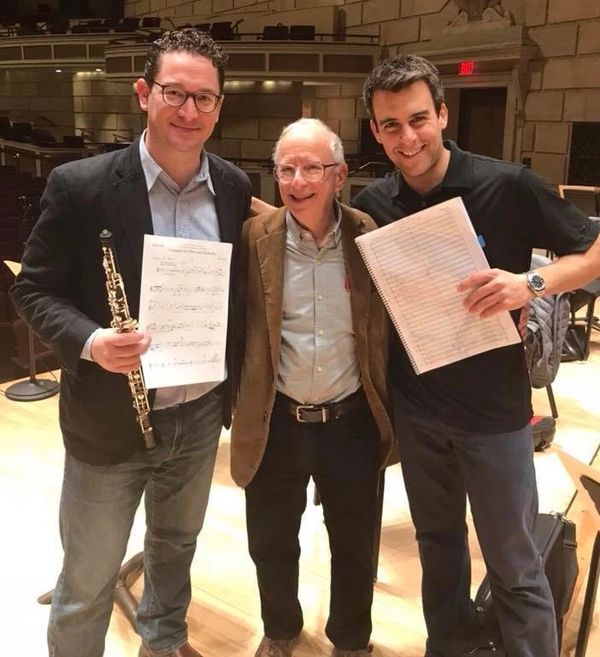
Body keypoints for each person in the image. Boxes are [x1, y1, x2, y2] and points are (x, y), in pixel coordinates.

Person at [10, 28, 252, 657]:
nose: (189, 110)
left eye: (204, 98)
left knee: (174, 555)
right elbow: (33, 291)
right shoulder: (81, 185)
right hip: (108, 419)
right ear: (145, 93)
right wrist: (91, 342)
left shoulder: (232, 186)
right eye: (175, 93)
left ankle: (161, 645)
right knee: (87, 581)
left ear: (220, 106)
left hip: (198, 416)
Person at [351, 54, 600, 657]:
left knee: (513, 561)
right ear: (376, 131)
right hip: (417, 412)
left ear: (441, 113)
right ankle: (451, 646)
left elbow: (593, 252)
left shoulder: (508, 183)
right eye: (389, 126)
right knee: (437, 548)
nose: (407, 138)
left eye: (417, 119)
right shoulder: (374, 202)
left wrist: (530, 284)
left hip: (494, 415)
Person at [230, 118, 395, 657]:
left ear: (340, 174)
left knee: (353, 543)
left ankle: (351, 640)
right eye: (286, 169)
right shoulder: (255, 236)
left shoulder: (369, 235)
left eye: (312, 168)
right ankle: (280, 630)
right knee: (271, 541)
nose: (298, 181)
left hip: (350, 419)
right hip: (276, 418)